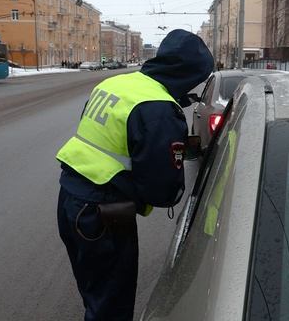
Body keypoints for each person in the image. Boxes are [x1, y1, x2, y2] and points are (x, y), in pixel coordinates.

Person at [55, 29, 214, 321]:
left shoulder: (117, 84)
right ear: (188, 74)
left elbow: (113, 140)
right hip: (102, 215)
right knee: (112, 306)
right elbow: (162, 191)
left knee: (95, 293)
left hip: (71, 201)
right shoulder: (159, 109)